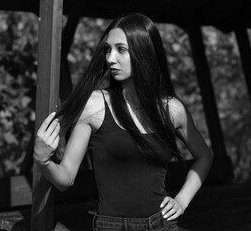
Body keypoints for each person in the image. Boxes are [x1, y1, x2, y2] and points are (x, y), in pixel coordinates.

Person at [34, 13, 213, 231]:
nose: (110, 58)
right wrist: (44, 162)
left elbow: (204, 156)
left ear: (143, 53)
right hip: (112, 226)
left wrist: (182, 200)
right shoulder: (94, 105)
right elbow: (66, 179)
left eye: (121, 49)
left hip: (162, 224)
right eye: (108, 49)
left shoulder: (173, 110)